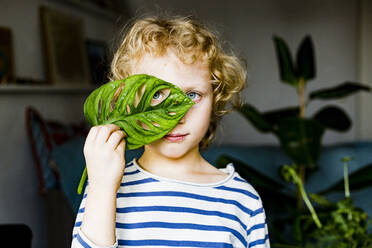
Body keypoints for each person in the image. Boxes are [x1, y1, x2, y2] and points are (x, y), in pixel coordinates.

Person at [71, 12, 270, 248]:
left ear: (215, 98)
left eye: (192, 95)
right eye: (155, 95)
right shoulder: (106, 186)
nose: (174, 115)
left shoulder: (242, 200)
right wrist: (102, 188)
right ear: (125, 99)